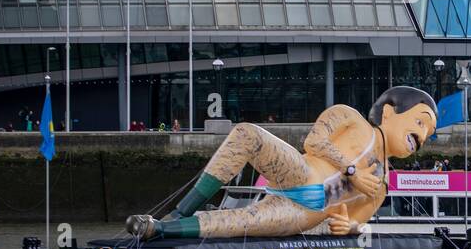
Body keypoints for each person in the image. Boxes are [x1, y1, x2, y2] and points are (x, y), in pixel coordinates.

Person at [126, 86, 438, 241]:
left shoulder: (381, 187)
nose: (422, 138)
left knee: (240, 222)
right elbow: (314, 143)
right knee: (247, 134)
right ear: (389, 112)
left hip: (304, 213)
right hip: (298, 173)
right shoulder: (350, 118)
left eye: (429, 134)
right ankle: (182, 210)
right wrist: (351, 170)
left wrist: (350, 226)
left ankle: (160, 228)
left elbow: (357, 222)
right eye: (421, 123)